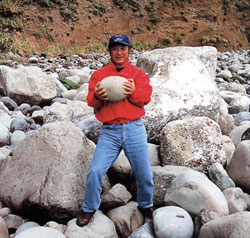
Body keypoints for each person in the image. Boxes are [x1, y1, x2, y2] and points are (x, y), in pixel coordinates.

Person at [76, 34, 155, 227]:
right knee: (95, 171)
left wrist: (133, 92)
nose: (119, 52)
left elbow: (145, 98)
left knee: (144, 174)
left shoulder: (138, 74)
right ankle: (88, 208)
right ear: (110, 51)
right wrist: (98, 96)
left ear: (129, 51)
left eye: (123, 48)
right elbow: (91, 102)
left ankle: (146, 204)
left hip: (134, 128)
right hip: (109, 131)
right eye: (115, 48)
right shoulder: (99, 75)